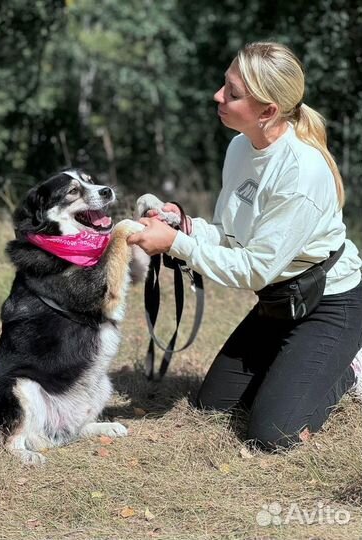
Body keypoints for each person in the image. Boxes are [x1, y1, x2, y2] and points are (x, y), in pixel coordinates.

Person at [127, 41, 362, 450]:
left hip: (329, 304)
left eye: (233, 93)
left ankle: (352, 367)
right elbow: (232, 234)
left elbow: (254, 268)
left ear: (268, 111)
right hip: (280, 299)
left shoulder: (300, 172)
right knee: (212, 406)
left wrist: (177, 243)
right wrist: (182, 225)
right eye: (225, 84)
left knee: (273, 436)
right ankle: (295, 369)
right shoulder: (240, 146)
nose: (219, 96)